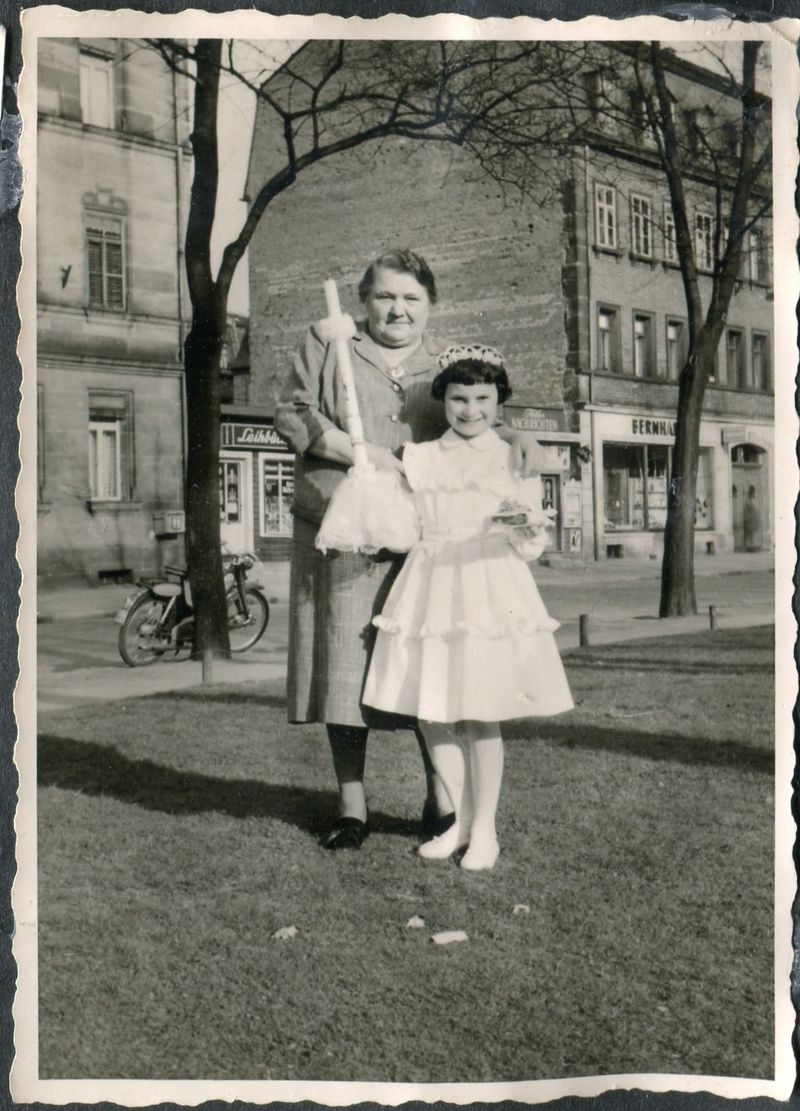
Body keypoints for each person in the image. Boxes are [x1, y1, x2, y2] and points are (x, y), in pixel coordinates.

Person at [274, 250, 547, 850]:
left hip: (425, 540)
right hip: (345, 529)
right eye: (385, 297)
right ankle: (352, 807)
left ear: (430, 306)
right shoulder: (329, 344)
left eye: (411, 299)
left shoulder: (441, 364)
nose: (397, 310)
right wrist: (359, 453)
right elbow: (291, 414)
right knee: (344, 672)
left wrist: (516, 432)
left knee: (433, 669)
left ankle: (441, 801)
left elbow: (475, 414)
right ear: (364, 300)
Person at [363, 346, 574, 870]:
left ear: (499, 401)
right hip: (431, 582)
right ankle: (459, 819)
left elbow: (530, 543)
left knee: (481, 711)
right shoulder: (420, 457)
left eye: (483, 399)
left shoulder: (513, 457)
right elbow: (400, 521)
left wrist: (524, 527)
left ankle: (485, 831)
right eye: (460, 399)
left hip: (487, 584)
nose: (471, 410)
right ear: (443, 400)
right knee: (431, 712)